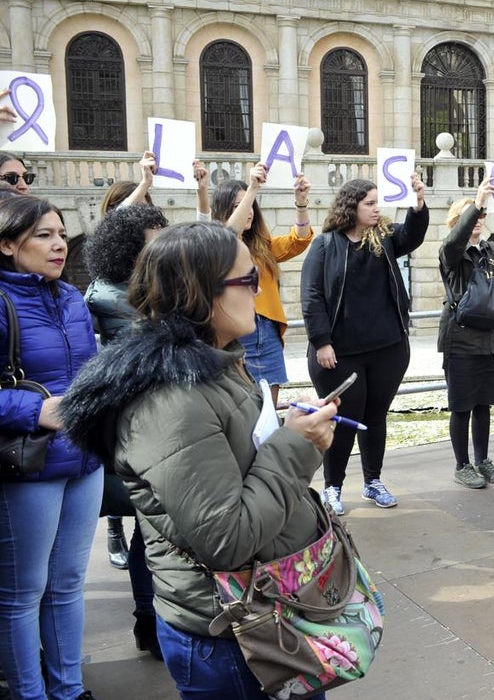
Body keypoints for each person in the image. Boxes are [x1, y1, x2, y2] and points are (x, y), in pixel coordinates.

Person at [60, 221, 338, 700]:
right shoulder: (170, 398)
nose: (259, 292)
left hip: (261, 611)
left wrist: (290, 433)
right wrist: (297, 446)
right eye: (248, 280)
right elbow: (227, 537)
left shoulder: (216, 360)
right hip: (231, 634)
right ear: (199, 292)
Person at [0, 195, 101, 700]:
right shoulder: (1, 302)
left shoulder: (70, 298)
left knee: (66, 586)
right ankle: (29, 694)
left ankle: (69, 690)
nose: (59, 243)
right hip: (29, 466)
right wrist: (32, 410)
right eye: (43, 235)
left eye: (60, 233)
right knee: (22, 595)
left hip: (84, 460)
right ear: (7, 244)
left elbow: (90, 370)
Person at [300, 175, 429, 513]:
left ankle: (373, 482)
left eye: (377, 202)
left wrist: (418, 207)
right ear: (351, 206)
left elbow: (410, 236)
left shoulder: (383, 238)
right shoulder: (326, 244)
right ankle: (333, 487)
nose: (377, 208)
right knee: (345, 420)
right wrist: (322, 341)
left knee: (375, 417)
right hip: (340, 354)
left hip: (387, 348)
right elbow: (311, 296)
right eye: (370, 203)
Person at [84, 203, 169, 660]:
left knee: (154, 526)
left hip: (156, 422)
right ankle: (149, 619)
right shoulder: (112, 297)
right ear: (129, 251)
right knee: (148, 525)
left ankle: (155, 618)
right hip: (136, 425)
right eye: (154, 246)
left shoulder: (144, 288)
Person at [439, 179, 494, 488]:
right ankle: (461, 465)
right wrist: (477, 202)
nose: (478, 221)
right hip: (461, 339)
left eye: (481, 216)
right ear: (458, 222)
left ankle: (483, 460)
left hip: (491, 338)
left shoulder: (490, 249)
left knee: (484, 403)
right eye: (472, 217)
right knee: (461, 405)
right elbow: (454, 243)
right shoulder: (451, 252)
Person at [211, 163, 313, 406]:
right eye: (238, 206)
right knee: (239, 408)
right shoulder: (214, 244)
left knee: (268, 410)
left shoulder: (262, 246)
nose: (247, 212)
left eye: (249, 206)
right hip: (233, 334)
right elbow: (228, 235)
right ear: (223, 209)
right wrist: (253, 189)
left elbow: (299, 240)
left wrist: (301, 203)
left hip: (267, 333)